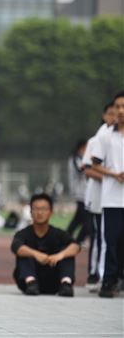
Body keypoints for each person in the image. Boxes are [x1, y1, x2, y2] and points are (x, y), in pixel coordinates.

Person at [11, 193, 79, 297]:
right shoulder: (22, 233)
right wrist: (36, 254)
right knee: (25, 251)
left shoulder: (59, 233)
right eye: (36, 209)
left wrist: (59, 255)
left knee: (67, 250)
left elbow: (76, 246)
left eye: (44, 209)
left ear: (51, 212)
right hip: (28, 284)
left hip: (55, 282)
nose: (40, 212)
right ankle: (31, 281)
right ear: (30, 212)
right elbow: (16, 247)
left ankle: (66, 283)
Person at [92, 91, 124, 298]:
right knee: (111, 241)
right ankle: (108, 281)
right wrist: (114, 174)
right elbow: (95, 163)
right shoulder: (105, 135)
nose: (120, 111)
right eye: (118, 107)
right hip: (112, 197)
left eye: (123, 107)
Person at [83, 101, 115, 291]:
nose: (115, 116)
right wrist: (110, 178)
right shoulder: (97, 139)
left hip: (117, 196)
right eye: (111, 113)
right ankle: (95, 274)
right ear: (104, 116)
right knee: (99, 236)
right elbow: (88, 168)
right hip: (99, 196)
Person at [66, 139, 89, 243]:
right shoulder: (75, 159)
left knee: (78, 219)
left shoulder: (80, 159)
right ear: (81, 148)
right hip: (80, 193)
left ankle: (66, 239)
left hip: (84, 193)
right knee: (87, 221)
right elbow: (80, 170)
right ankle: (78, 241)